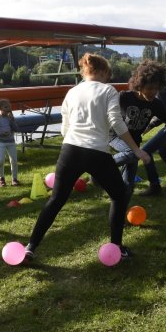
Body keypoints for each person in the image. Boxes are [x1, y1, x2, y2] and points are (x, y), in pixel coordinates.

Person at [25, 53, 150, 260]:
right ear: (101, 72)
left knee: (56, 200)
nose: (108, 79)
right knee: (119, 196)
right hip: (97, 152)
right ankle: (116, 247)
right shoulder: (108, 90)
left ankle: (30, 246)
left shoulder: (71, 92)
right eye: (107, 75)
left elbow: (65, 128)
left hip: (70, 149)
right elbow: (117, 124)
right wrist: (137, 150)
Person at [109, 60, 166, 198]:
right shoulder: (124, 97)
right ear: (139, 85)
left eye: (156, 89)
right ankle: (102, 166)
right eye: (149, 88)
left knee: (128, 184)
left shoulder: (156, 104)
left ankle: (122, 199)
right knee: (135, 153)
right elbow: (107, 113)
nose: (153, 92)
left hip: (134, 142)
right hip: (117, 137)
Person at [0, 98, 20, 187]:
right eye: (6, 107)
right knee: (1, 161)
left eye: (9, 107)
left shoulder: (10, 118)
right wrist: (1, 134)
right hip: (1, 143)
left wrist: (12, 120)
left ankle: (14, 179)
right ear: (0, 108)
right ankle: (1, 178)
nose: (8, 109)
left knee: (14, 161)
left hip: (11, 142)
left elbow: (16, 129)